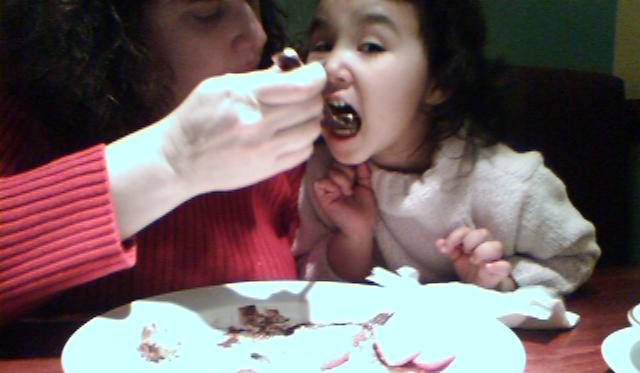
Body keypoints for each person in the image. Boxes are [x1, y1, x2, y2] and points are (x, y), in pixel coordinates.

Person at [0, 0, 327, 324]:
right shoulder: (25, 125)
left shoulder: (276, 152)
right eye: (207, 13)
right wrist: (170, 159)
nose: (257, 34)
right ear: (114, 36)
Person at [293, 0, 600, 294]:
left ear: (438, 81)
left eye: (371, 46)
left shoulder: (508, 185)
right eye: (323, 44)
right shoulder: (322, 178)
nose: (330, 67)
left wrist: (501, 282)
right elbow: (307, 282)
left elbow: (575, 256)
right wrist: (353, 239)